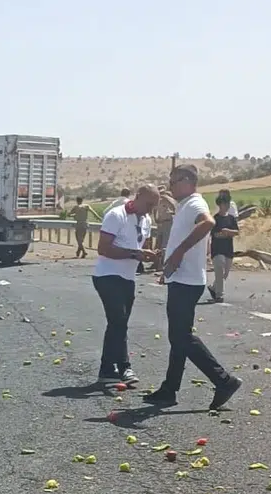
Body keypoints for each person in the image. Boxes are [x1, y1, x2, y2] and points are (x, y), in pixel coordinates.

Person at [143, 165, 242, 410]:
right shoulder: (185, 205)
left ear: (188, 181)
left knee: (182, 336)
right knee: (178, 337)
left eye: (174, 181)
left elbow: (207, 224)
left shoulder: (196, 204)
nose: (171, 185)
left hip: (187, 282)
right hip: (183, 279)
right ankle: (169, 390)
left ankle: (223, 380)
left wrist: (177, 254)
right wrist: (169, 263)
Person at [91, 185, 159, 386]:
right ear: (137, 197)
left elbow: (138, 246)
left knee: (118, 324)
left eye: (154, 206)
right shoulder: (116, 215)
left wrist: (148, 254)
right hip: (107, 275)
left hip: (128, 278)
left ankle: (107, 370)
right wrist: (133, 254)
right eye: (148, 204)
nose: (150, 209)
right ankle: (124, 367)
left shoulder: (146, 220)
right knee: (118, 321)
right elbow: (103, 248)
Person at [208, 191, 238, 303]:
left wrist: (228, 231)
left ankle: (214, 287)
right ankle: (219, 295)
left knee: (225, 273)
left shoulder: (231, 218)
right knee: (219, 269)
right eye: (225, 203)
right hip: (217, 249)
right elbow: (215, 234)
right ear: (220, 204)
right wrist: (224, 233)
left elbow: (236, 232)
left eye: (228, 203)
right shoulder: (215, 218)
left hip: (228, 249)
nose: (227, 206)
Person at [153, 188, 177, 255]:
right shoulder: (157, 201)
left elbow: (174, 206)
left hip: (167, 222)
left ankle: (163, 258)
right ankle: (156, 258)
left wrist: (166, 197)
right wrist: (155, 218)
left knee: (165, 242)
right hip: (160, 223)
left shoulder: (168, 200)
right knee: (158, 242)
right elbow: (154, 209)